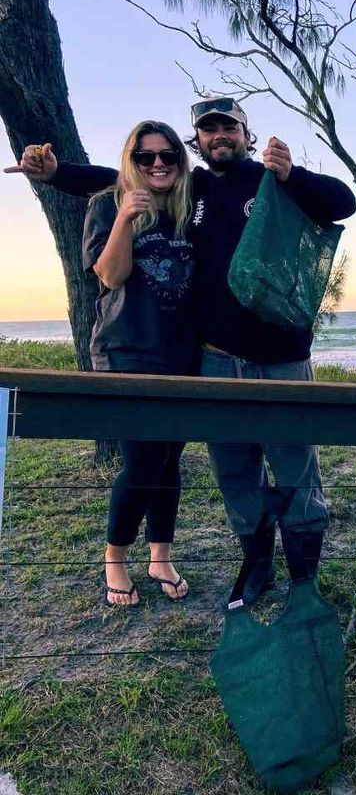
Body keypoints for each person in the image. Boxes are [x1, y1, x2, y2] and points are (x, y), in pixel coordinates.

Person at [7, 98, 356, 604]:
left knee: (295, 467)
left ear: (245, 134)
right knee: (236, 474)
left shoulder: (274, 181)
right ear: (199, 141)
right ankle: (257, 570)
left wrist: (292, 174)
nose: (219, 136)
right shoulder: (192, 188)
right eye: (208, 130)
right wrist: (59, 173)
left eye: (228, 128)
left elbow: (342, 203)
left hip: (281, 358)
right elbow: (125, 175)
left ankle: (305, 579)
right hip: (214, 359)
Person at [86, 120, 196, 606]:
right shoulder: (105, 206)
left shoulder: (188, 212)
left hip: (181, 355)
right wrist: (126, 219)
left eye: (167, 156)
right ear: (130, 161)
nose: (157, 164)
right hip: (126, 351)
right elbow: (110, 276)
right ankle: (115, 556)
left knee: (171, 457)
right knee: (141, 461)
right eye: (145, 156)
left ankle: (161, 554)